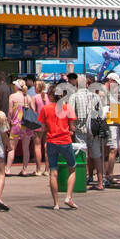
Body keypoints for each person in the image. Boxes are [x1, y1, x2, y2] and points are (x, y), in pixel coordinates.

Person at [40, 81, 78, 209]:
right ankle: (68, 197)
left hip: (51, 141)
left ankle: (56, 203)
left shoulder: (45, 109)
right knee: (72, 168)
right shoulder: (68, 108)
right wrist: (71, 130)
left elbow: (43, 128)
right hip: (65, 141)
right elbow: (73, 127)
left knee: (53, 172)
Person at [8, 79, 33, 176]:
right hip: (27, 125)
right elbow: (33, 110)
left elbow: (10, 111)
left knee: (12, 148)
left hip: (16, 124)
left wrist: (9, 121)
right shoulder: (28, 97)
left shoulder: (12, 96)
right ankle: (24, 169)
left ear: (17, 86)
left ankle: (8, 169)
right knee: (26, 148)